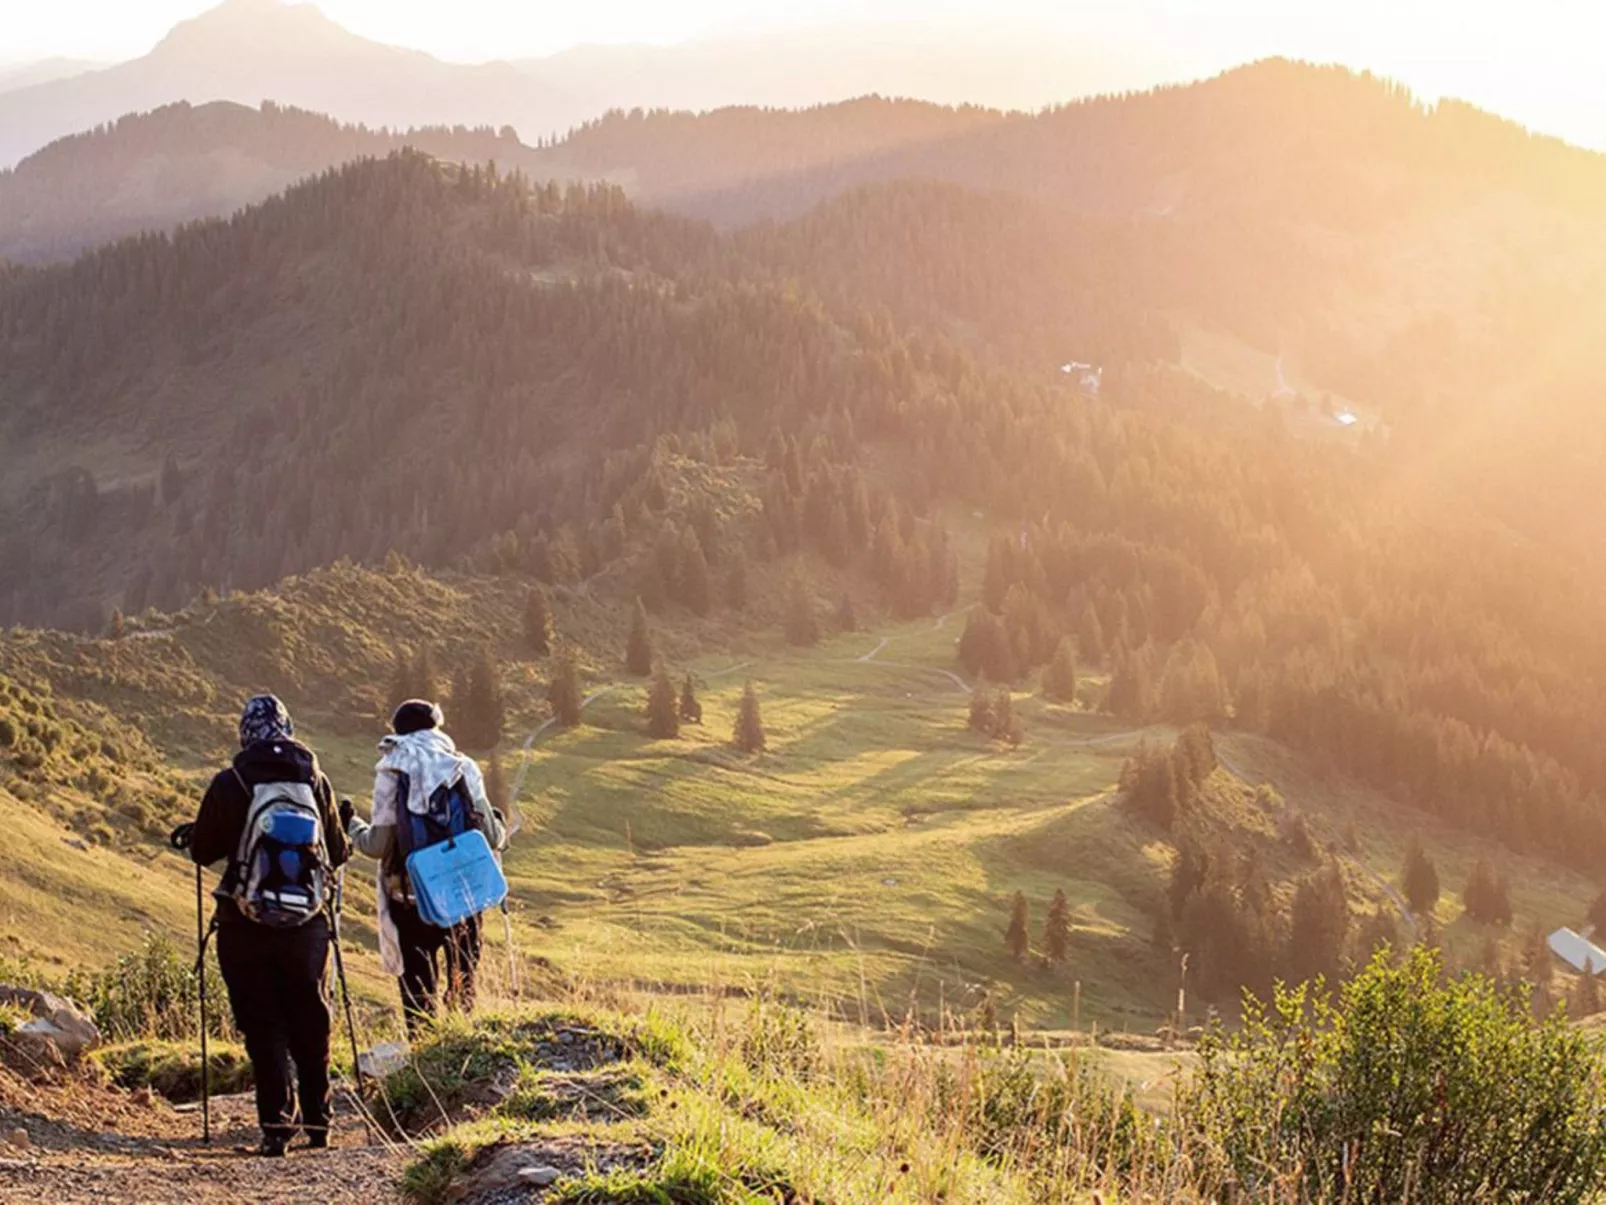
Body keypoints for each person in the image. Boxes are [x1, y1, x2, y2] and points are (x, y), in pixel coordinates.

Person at [186, 695, 349, 1157]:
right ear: (287, 728)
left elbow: (202, 851)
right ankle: (320, 1123)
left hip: (244, 923)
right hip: (308, 925)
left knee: (262, 1023)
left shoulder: (231, 781)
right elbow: (336, 853)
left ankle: (277, 1127)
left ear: (246, 733)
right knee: (311, 1019)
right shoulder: (315, 779)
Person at [347, 699, 507, 1035]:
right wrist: (499, 823)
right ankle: (462, 1060)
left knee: (418, 997)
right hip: (463, 898)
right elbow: (491, 837)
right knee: (463, 989)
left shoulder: (391, 770)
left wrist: (352, 826)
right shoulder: (462, 766)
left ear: (399, 732)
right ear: (436, 728)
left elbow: (377, 846)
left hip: (411, 900)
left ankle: (422, 1062)